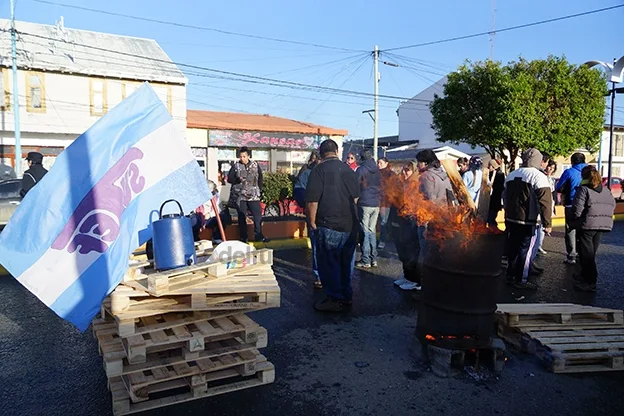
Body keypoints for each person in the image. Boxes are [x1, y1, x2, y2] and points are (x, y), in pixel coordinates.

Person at [306, 139, 360, 312]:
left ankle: (334, 298)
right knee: (346, 262)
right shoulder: (348, 170)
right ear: (337, 151)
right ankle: (346, 295)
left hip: (328, 224)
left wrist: (312, 221)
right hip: (350, 224)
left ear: (321, 153)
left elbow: (312, 201)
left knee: (329, 263)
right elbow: (356, 198)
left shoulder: (318, 171)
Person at [503, 148, 553, 290]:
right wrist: (547, 223)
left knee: (512, 248)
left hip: (511, 218)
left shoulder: (511, 175)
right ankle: (522, 280)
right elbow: (545, 202)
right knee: (525, 250)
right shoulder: (539, 176)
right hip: (528, 220)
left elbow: (504, 197)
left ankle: (510, 276)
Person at [570, 165, 616, 292]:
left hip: (588, 225)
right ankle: (584, 275)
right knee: (591, 253)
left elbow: (577, 209)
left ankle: (590, 281)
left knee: (586, 254)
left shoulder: (584, 189)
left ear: (583, 176)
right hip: (603, 224)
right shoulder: (605, 189)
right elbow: (613, 204)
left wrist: (574, 221)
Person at [391, 161, 423, 291]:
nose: (405, 173)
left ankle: (414, 280)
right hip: (401, 220)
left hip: (412, 222)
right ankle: (407, 276)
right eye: (404, 170)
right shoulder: (404, 183)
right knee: (403, 249)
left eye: (408, 170)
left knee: (411, 251)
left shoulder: (416, 184)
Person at [227, 146, 269, 243]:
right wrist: (236, 180)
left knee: (257, 215)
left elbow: (260, 178)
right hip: (240, 196)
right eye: (241, 156)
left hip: (253, 195)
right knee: (242, 216)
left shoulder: (255, 165)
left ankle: (258, 235)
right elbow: (229, 179)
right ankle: (243, 237)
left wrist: (259, 189)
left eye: (244, 156)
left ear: (248, 156)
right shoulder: (236, 166)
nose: (242, 158)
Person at [293, 150, 322, 288]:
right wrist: (309, 202)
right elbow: (298, 190)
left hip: (332, 216)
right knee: (317, 246)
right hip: (314, 215)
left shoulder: (336, 171)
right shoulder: (307, 174)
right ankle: (319, 276)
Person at [555, 152, 587, 264]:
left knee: (570, 229)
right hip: (586, 205)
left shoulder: (569, 172)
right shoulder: (592, 172)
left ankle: (571, 256)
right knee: (583, 230)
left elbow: (559, 187)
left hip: (571, 204)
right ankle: (583, 254)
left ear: (572, 161)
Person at [355, 149, 381, 269]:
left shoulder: (361, 169)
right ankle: (373, 259)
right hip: (376, 203)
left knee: (365, 232)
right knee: (372, 231)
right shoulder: (377, 170)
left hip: (364, 202)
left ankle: (366, 260)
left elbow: (355, 186)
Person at [536, 160, 558, 255]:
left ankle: (539, 245)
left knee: (543, 227)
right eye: (549, 167)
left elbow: (553, 193)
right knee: (539, 226)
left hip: (549, 203)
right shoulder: (541, 177)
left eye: (552, 168)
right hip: (541, 203)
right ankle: (536, 246)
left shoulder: (552, 179)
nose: (550, 169)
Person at [377, 157, 394, 250]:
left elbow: (392, 188)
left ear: (386, 163)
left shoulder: (390, 174)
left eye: (381, 163)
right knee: (378, 222)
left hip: (385, 202)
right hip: (376, 201)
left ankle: (382, 241)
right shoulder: (376, 173)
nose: (378, 165)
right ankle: (378, 239)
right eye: (378, 163)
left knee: (384, 222)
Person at [486, 159, 505, 227]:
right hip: (492, 200)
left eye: (489, 166)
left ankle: (493, 233)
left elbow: (499, 188)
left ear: (493, 166)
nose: (488, 167)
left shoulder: (499, 174)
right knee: (490, 218)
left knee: (491, 219)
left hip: (494, 200)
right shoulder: (492, 173)